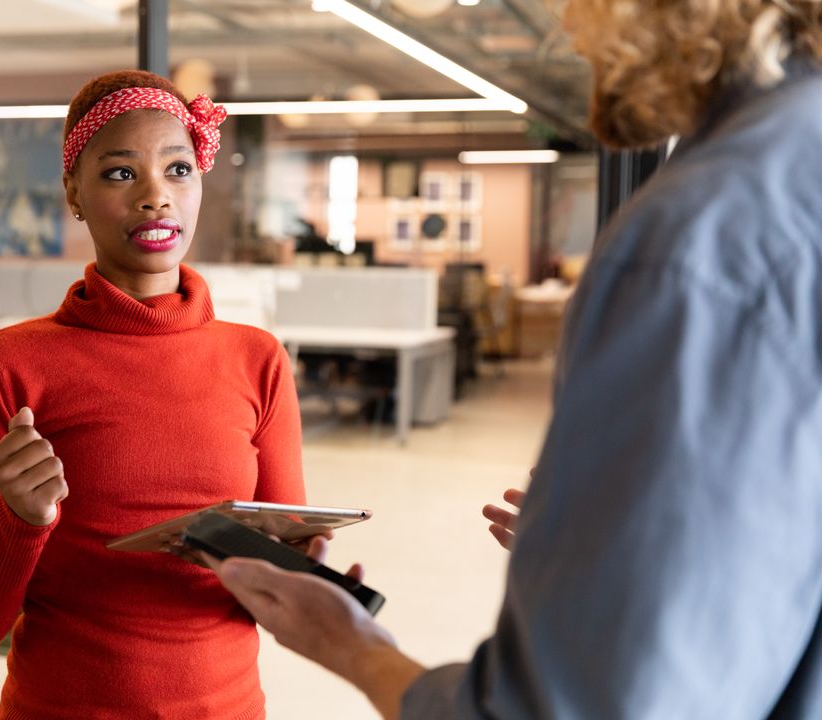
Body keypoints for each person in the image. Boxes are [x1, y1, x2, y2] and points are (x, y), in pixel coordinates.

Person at [208, 0, 822, 717]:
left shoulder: (697, 235)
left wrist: (349, 643)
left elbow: (569, 705)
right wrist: (608, 535)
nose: (568, 27)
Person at [0, 70, 311, 719]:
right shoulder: (7, 367)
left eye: (178, 169)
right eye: (121, 174)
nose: (156, 197)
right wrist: (20, 522)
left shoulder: (258, 360)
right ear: (73, 192)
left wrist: (308, 576)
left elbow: (279, 603)